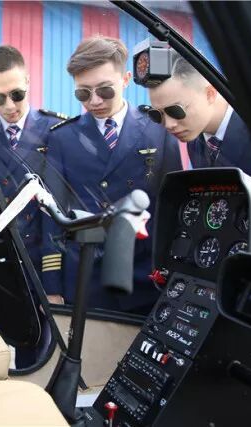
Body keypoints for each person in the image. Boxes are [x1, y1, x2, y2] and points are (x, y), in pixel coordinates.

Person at [40, 36, 182, 315]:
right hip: (85, 279)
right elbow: (51, 216)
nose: (94, 101)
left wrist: (174, 274)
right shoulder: (62, 138)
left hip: (145, 278)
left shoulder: (158, 129)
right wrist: (52, 285)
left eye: (105, 90)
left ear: (126, 79)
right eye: (83, 94)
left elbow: (174, 206)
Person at [0, 45, 68, 275]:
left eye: (16, 94)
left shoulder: (56, 130)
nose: (9, 106)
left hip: (39, 262)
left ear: (28, 81)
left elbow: (57, 210)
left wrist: (52, 278)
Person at [145, 50, 251, 179]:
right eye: (158, 114)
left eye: (176, 110)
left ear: (210, 94)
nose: (169, 124)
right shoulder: (195, 141)